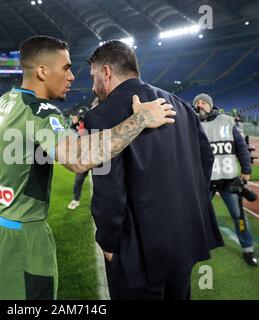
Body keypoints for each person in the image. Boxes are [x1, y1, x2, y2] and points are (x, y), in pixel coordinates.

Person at [0, 35, 176, 300]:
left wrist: (7, 176)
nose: (72, 77)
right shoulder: (41, 112)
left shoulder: (0, 104)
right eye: (66, 68)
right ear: (42, 71)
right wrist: (141, 118)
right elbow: (78, 158)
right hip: (23, 235)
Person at [83, 40, 224, 300]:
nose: (93, 86)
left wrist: (108, 240)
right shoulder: (181, 106)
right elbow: (206, 158)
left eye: (93, 77)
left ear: (106, 72)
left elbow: (109, 192)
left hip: (137, 251)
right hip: (184, 239)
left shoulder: (100, 116)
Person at [193, 93, 258, 267]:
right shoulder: (193, 123)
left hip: (229, 181)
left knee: (239, 217)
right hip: (205, 182)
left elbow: (241, 146)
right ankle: (194, 249)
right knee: (196, 216)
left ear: (210, 105)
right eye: (197, 102)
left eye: (203, 102)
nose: (200, 105)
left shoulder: (226, 120)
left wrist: (246, 169)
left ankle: (248, 249)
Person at [67, 106, 90, 210]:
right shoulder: (76, 124)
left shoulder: (92, 123)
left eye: (83, 116)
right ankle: (76, 200)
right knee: (78, 180)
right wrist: (73, 123)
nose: (81, 118)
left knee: (101, 181)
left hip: (95, 155)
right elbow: (68, 133)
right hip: (83, 157)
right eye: (80, 116)